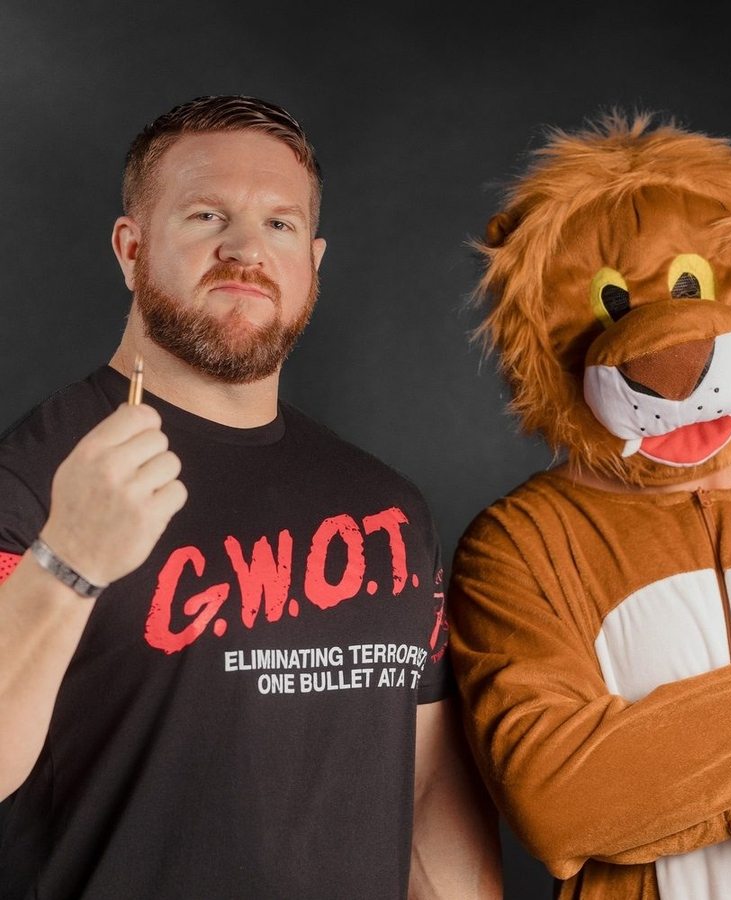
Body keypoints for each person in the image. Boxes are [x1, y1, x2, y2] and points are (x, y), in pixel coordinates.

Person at [0, 94, 501, 899]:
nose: (246, 249)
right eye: (206, 216)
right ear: (131, 248)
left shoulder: (388, 511)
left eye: (280, 224)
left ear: (313, 261)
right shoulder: (34, 479)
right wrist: (68, 563)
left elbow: (427, 791)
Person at [448, 115, 731, 899]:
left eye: (691, 286)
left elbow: (602, 803)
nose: (666, 351)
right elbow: (561, 808)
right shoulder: (518, 544)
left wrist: (661, 797)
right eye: (611, 305)